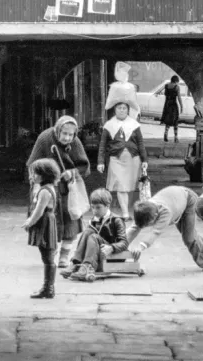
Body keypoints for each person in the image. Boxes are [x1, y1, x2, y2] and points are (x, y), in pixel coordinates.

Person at [26, 115, 91, 267]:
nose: (67, 138)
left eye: (71, 135)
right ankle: (51, 253)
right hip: (49, 188)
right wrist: (36, 185)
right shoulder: (45, 138)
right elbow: (32, 164)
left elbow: (85, 167)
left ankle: (64, 255)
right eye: (65, 134)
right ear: (58, 130)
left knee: (70, 221)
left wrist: (72, 173)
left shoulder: (75, 142)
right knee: (50, 222)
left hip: (68, 189)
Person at [125, 185, 203, 269]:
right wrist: (119, 243)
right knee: (190, 233)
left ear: (156, 215)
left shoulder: (165, 212)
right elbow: (134, 228)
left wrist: (140, 247)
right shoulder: (144, 209)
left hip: (189, 201)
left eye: (148, 224)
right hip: (176, 201)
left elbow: (155, 232)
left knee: (189, 238)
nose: (146, 226)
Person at [62, 188, 129, 282]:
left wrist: (112, 247)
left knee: (93, 236)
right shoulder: (94, 219)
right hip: (98, 254)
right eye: (92, 207)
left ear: (107, 205)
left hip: (112, 255)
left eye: (98, 207)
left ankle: (88, 266)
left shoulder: (117, 220)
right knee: (87, 232)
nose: (94, 211)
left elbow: (124, 243)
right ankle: (75, 263)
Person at [97, 102, 148, 220]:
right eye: (119, 108)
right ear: (115, 110)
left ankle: (126, 209)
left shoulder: (134, 125)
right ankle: (125, 213)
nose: (122, 110)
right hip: (116, 159)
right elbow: (102, 145)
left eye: (124, 108)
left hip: (133, 159)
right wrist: (100, 162)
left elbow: (140, 143)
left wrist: (144, 159)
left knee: (129, 187)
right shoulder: (109, 125)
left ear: (127, 110)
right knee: (121, 186)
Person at [22, 158, 61, 299]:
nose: (32, 176)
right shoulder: (46, 188)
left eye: (35, 174)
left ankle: (48, 288)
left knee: (48, 256)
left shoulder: (45, 191)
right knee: (47, 255)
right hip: (45, 222)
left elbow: (39, 211)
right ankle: (48, 287)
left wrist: (29, 222)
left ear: (45, 174)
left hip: (45, 223)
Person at [160, 75, 184, 143]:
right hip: (173, 105)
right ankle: (176, 138)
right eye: (177, 82)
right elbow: (179, 97)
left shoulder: (166, 86)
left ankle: (165, 134)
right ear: (176, 81)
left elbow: (165, 94)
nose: (177, 83)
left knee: (168, 120)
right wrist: (181, 106)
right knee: (175, 121)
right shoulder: (177, 87)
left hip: (167, 105)